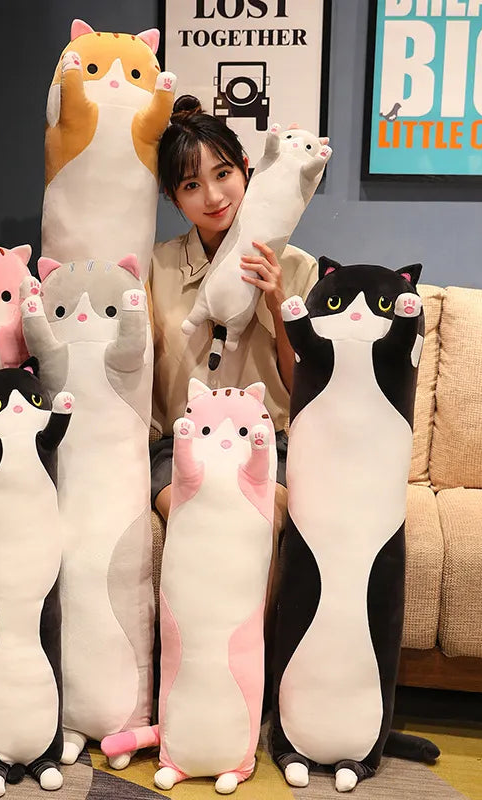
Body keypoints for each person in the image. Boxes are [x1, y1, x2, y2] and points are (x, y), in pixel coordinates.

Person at [148, 95, 318, 631]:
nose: (213, 197)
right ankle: (190, 656)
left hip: (269, 441)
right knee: (197, 513)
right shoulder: (157, 267)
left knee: (255, 517)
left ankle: (250, 661)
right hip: (178, 442)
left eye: (223, 174)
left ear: (248, 169)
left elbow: (304, 389)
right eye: (191, 185)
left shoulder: (298, 268)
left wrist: (277, 301)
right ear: (174, 198)